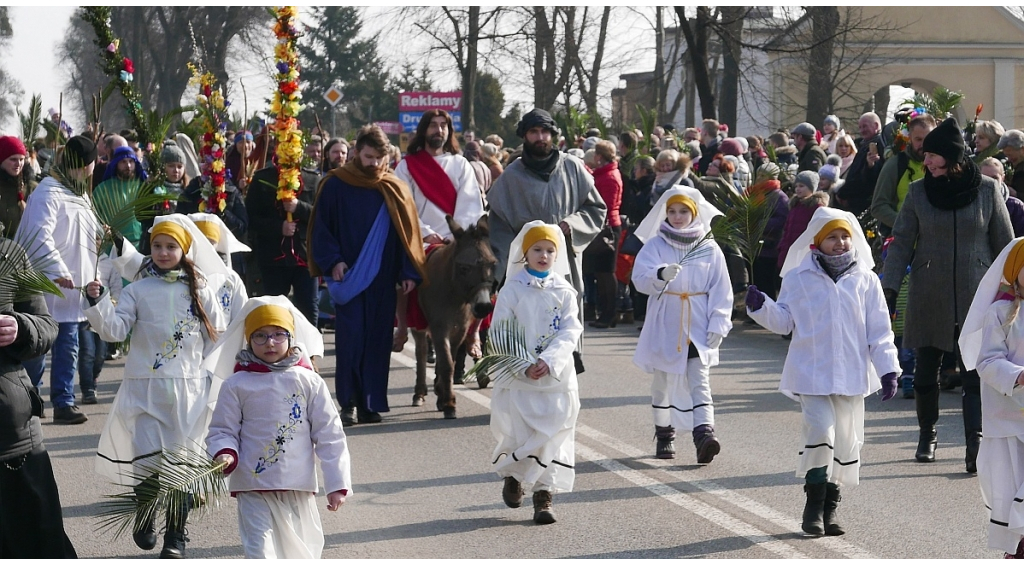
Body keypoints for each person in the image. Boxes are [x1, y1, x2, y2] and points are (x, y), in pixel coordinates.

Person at [747, 207, 899, 537]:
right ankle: (813, 505)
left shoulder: (866, 279)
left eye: (845, 236)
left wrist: (888, 369)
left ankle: (831, 509)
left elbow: (879, 330)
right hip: (811, 373)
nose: (840, 242)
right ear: (817, 241)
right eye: (832, 237)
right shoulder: (799, 278)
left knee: (846, 442)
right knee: (820, 432)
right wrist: (761, 307)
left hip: (851, 374)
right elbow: (785, 321)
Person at [84, 215, 227, 558]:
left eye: (171, 246)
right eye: (158, 246)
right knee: (146, 462)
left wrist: (211, 381)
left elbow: (216, 339)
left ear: (184, 250)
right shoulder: (137, 291)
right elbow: (115, 331)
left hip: (187, 392)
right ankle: (145, 514)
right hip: (144, 390)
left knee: (182, 466)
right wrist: (98, 300)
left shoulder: (200, 289)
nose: (163, 253)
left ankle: (176, 537)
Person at [881, 117, 1014, 471]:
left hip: (977, 296)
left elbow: (1006, 245)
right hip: (930, 293)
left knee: (973, 372)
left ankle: (975, 444)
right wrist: (889, 287)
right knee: (926, 373)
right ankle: (928, 434)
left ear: (953, 158)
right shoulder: (918, 192)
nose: (926, 162)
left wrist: (1013, 289)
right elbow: (901, 244)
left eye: (932, 157)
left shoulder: (987, 190)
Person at [205, 296, 350, 559]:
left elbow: (330, 434)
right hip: (253, 484)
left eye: (278, 334)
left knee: (300, 552)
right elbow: (221, 430)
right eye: (260, 335)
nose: (270, 342)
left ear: (291, 337)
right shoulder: (236, 384)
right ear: (248, 339)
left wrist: (337, 483)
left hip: (296, 485)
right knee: (259, 551)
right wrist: (225, 452)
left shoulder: (308, 381)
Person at [309, 125, 426, 424]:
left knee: (377, 341)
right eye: (368, 156)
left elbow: (407, 233)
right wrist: (332, 260)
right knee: (351, 339)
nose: (373, 163)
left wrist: (407, 270)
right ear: (357, 152)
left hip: (384, 279)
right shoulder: (335, 184)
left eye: (378, 158)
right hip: (349, 276)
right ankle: (347, 403)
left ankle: (370, 404)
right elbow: (322, 228)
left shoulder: (394, 187)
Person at [489, 221, 583, 525]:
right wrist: (523, 362)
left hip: (555, 377)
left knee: (555, 431)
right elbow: (501, 329)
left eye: (549, 250)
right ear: (525, 253)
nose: (543, 255)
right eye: (537, 249)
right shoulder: (513, 289)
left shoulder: (564, 291)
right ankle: (515, 476)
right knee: (523, 432)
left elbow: (571, 329)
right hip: (522, 377)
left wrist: (551, 360)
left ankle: (544, 495)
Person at [487, 108, 606, 341]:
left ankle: (568, 364)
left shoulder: (572, 167)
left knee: (565, 323)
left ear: (553, 135)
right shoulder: (511, 177)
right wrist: (495, 277)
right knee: (530, 328)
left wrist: (572, 225)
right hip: (525, 268)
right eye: (534, 132)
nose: (540, 138)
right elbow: (499, 231)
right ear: (524, 136)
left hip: (565, 261)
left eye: (545, 132)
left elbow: (596, 209)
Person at [631, 187, 732, 463]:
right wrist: (659, 274)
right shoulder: (655, 245)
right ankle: (664, 433)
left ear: (695, 213)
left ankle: (704, 435)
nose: (677, 217)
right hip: (666, 321)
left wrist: (719, 323)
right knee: (662, 382)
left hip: (697, 322)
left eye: (684, 211)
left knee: (699, 380)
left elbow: (721, 288)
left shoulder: (708, 248)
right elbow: (639, 279)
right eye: (673, 211)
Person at [0, 237, 77, 558]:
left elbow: (47, 325)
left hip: (11, 434)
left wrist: (20, 326)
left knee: (36, 538)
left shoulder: (8, 253)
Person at [16, 135, 100, 424]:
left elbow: (88, 238)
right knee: (38, 346)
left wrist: (93, 274)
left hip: (74, 288)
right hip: (46, 286)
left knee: (68, 346)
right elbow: (39, 235)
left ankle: (64, 403)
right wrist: (58, 270)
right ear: (86, 165)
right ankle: (28, 402)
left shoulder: (80, 193)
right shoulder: (49, 191)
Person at [392, 109, 485, 357]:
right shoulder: (406, 166)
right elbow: (404, 205)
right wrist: (425, 233)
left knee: (483, 273)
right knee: (400, 271)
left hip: (456, 239)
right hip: (419, 238)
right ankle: (402, 327)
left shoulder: (460, 164)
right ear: (424, 130)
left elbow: (470, 204)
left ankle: (473, 331)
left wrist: (457, 237)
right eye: (433, 125)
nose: (439, 130)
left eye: (443, 125)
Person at [960, 237, 1024, 558]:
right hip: (1010, 420)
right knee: (1014, 491)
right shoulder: (1000, 313)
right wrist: (1018, 375)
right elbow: (986, 361)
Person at [247, 160, 322, 325]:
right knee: (274, 310)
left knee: (308, 309)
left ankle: (311, 349)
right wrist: (278, 227)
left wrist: (298, 207)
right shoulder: (262, 178)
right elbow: (251, 219)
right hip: (273, 256)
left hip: (304, 256)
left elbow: (321, 216)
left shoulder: (312, 179)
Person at [870, 113, 936, 235]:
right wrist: (906, 225)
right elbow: (878, 206)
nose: (923, 144)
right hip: (905, 245)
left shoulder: (942, 165)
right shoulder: (896, 164)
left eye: (927, 139)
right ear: (909, 138)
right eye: (918, 139)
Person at [584, 140, 623, 328]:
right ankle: (605, 313)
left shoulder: (609, 176)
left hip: (608, 228)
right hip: (606, 226)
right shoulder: (605, 173)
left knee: (607, 273)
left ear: (600, 156)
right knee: (601, 273)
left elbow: (605, 205)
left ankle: (609, 314)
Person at [188, 213, 251, 323]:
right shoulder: (178, 276)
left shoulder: (231, 278)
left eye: (211, 242)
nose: (206, 247)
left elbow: (241, 317)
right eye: (201, 241)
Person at [778, 170, 828, 274]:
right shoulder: (795, 205)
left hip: (804, 253)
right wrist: (782, 246)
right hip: (789, 251)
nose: (797, 189)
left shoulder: (816, 207)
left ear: (811, 188)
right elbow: (787, 228)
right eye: (796, 186)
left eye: (802, 186)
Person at [834, 112, 885, 215]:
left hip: (864, 205)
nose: (862, 130)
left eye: (865, 126)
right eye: (860, 127)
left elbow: (866, 180)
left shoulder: (879, 145)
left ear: (875, 125)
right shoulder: (864, 145)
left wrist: (843, 193)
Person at [0, 136, 35, 238]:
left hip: (26, 246)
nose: (18, 164)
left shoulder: (30, 187)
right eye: (13, 159)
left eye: (21, 159)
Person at [980, 156, 1024, 236]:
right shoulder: (973, 205)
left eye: (994, 178)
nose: (990, 182)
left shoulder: (1015, 207)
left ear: (1002, 178)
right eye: (986, 178)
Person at [999, 129, 1024, 198]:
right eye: (1006, 155)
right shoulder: (1007, 165)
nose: (1009, 159)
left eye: (1010, 155)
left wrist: (1017, 194)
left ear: (1023, 149)